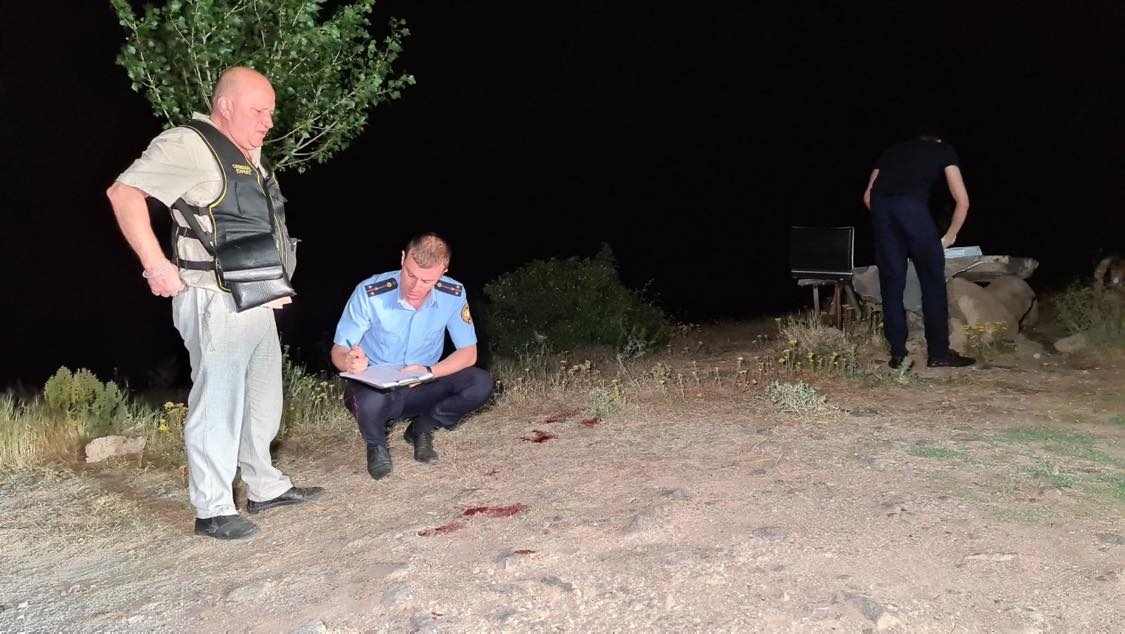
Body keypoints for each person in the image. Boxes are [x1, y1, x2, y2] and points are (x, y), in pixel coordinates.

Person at [106, 66, 324, 540]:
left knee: (263, 399)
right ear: (225, 106)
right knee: (218, 402)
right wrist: (156, 266)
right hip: (213, 299)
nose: (269, 121)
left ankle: (264, 486)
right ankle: (213, 508)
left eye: (270, 112)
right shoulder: (189, 144)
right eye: (259, 111)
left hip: (257, 297)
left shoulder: (247, 154)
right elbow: (124, 193)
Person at [331, 232, 495, 480]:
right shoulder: (370, 292)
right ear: (402, 258)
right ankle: (376, 445)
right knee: (369, 402)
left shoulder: (453, 294)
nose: (415, 287)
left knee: (480, 383)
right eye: (410, 275)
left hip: (423, 383)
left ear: (443, 272)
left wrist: (428, 372)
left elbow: (468, 353)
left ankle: (422, 428)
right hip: (377, 387)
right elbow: (339, 350)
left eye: (427, 281)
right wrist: (349, 362)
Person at [862, 126, 975, 369]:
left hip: (882, 212)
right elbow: (962, 201)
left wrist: (890, 224)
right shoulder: (943, 150)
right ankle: (939, 354)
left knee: (891, 284)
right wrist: (949, 236)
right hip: (912, 208)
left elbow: (868, 197)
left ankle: (898, 355)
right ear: (939, 139)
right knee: (932, 281)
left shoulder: (892, 151)